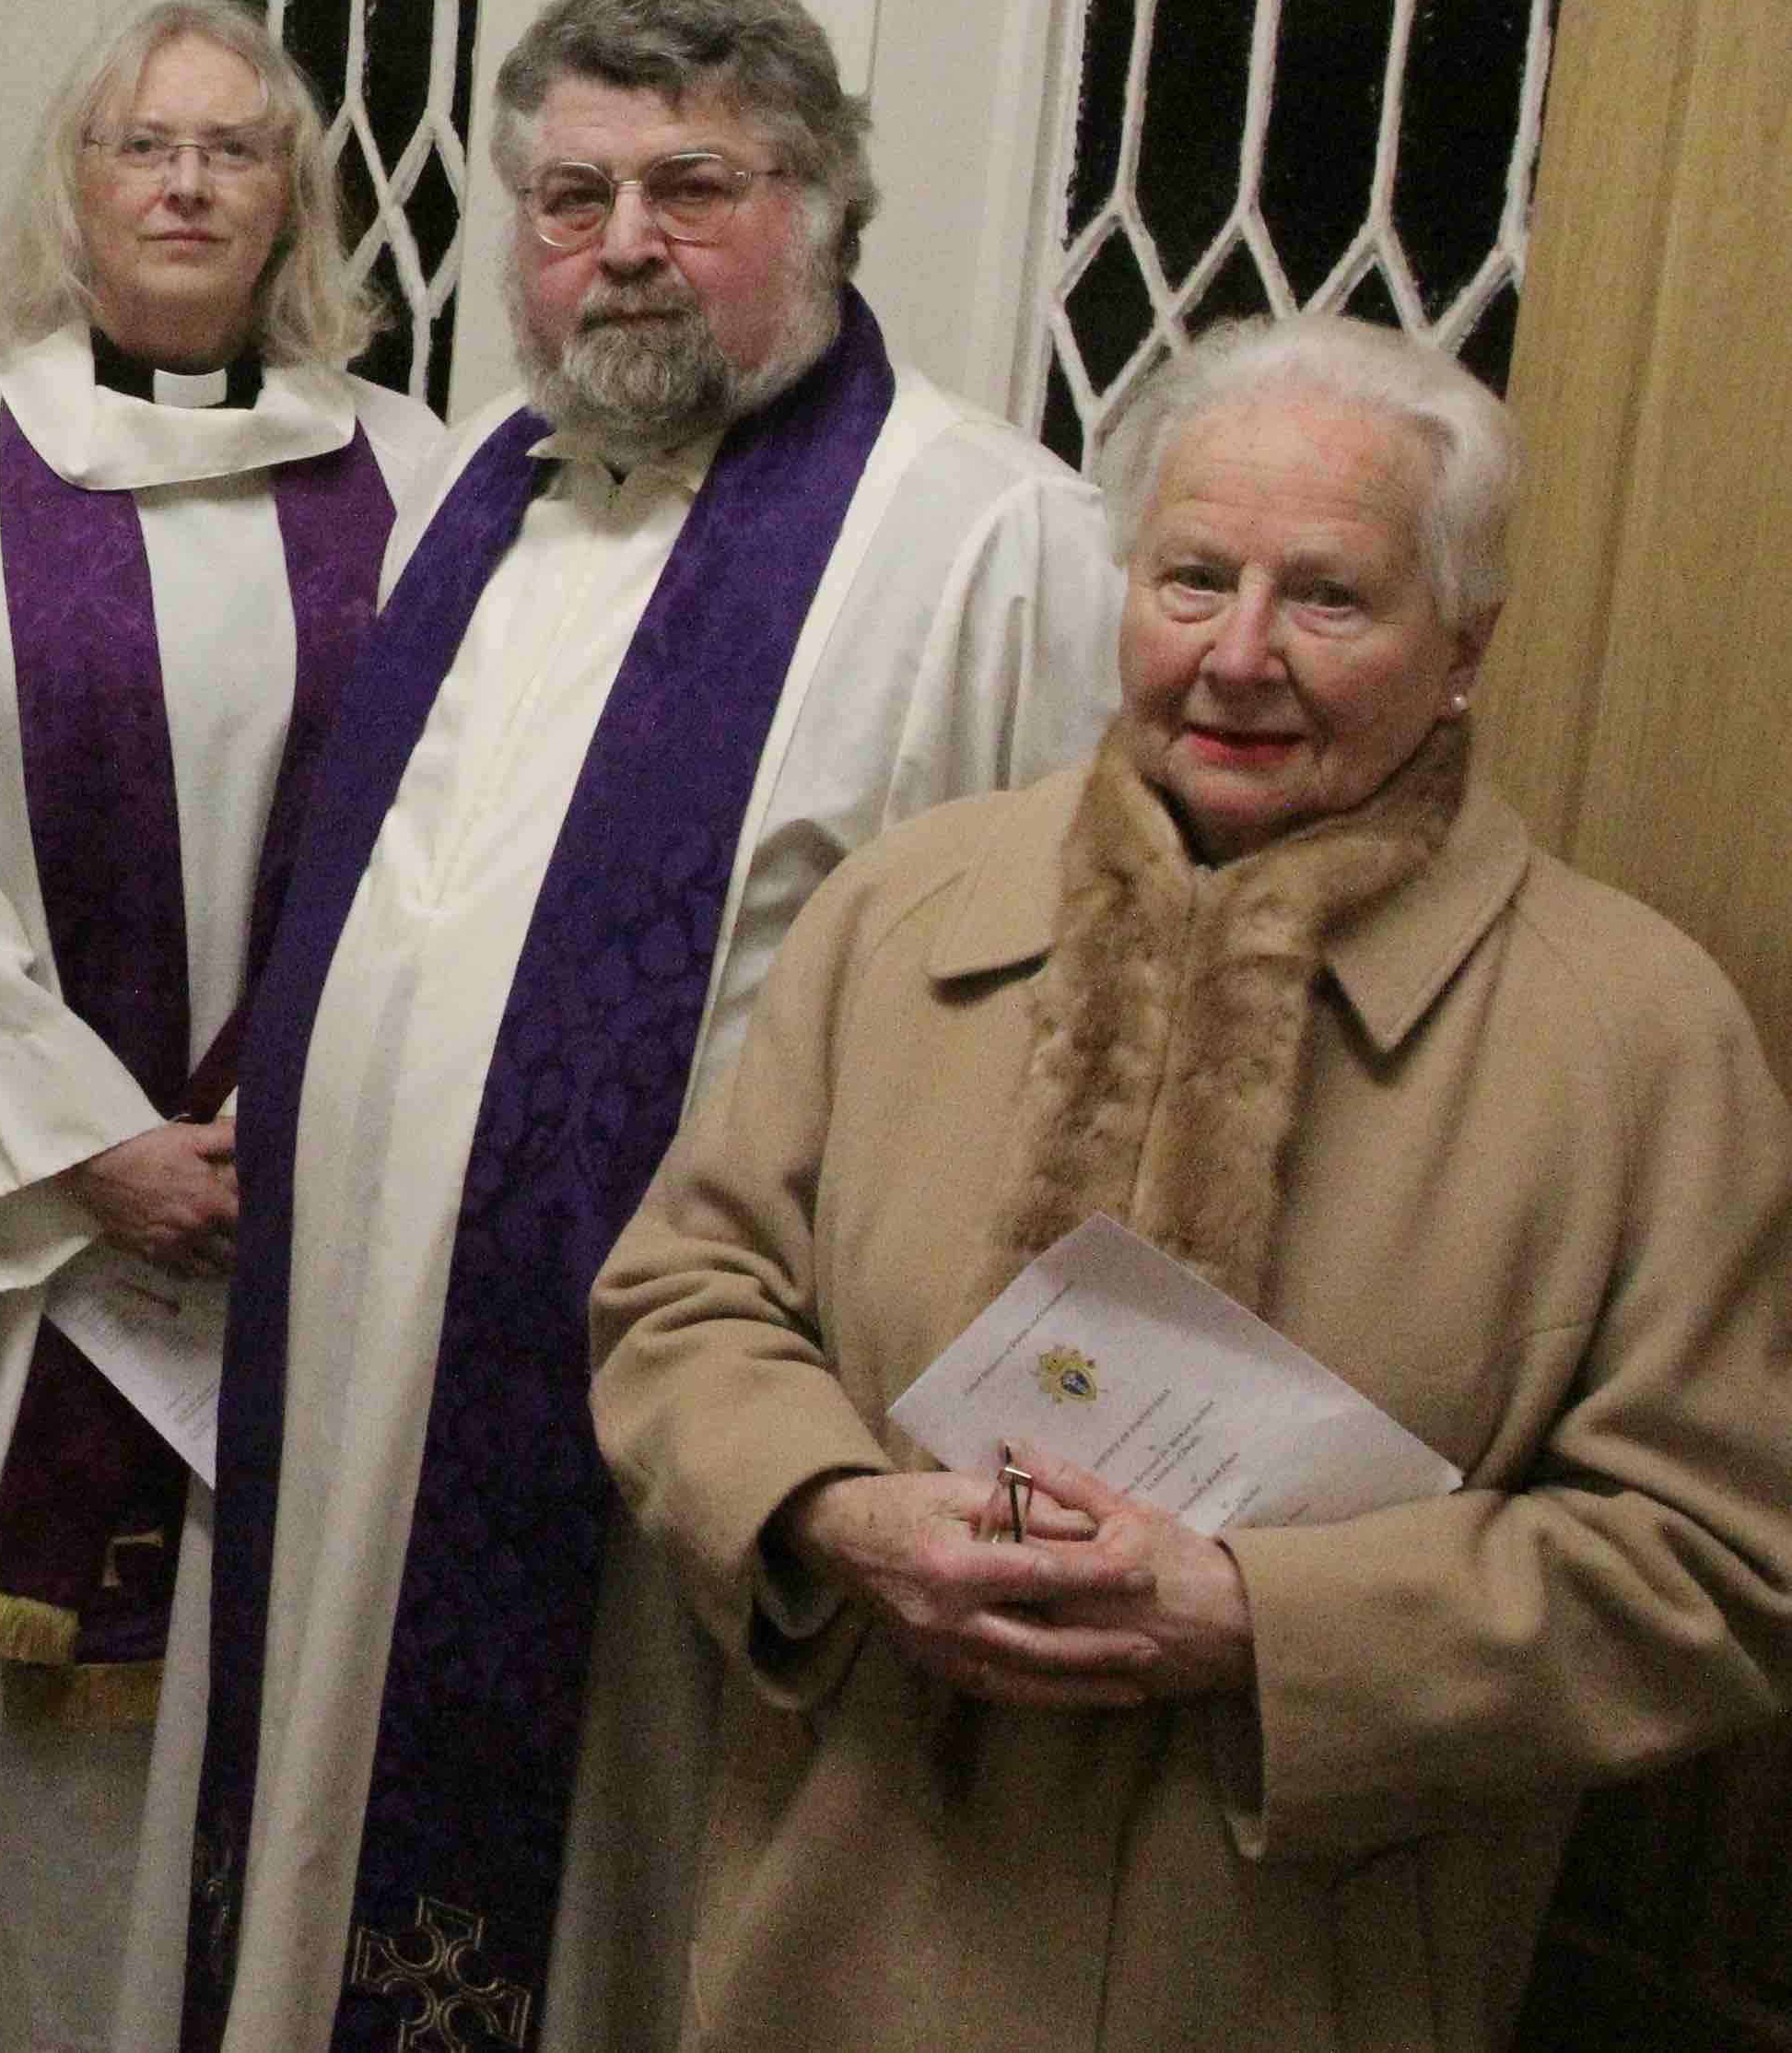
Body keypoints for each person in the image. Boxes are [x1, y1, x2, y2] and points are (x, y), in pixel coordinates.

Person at [589, 316, 1792, 2050]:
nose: (1237, 656)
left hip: (1294, 1970)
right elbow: (681, 1299)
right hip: (843, 1934)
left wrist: (1263, 1624)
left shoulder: (1636, 1037)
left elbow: (1719, 1563)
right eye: (1191, 578)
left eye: (1328, 599)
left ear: (1464, 648)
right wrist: (845, 1515)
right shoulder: (906, 909)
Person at [171, 0, 1124, 2052]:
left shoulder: (988, 543)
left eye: (691, 187)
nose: (620, 246)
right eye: (567, 192)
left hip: (685, 1429)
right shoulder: (475, 487)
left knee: (610, 1915)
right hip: (343, 1368)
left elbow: (1066, 1036)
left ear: (826, 203)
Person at [0, 0, 450, 2051]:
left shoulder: (415, 475)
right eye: (138, 143)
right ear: (72, 186)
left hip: (287, 1230)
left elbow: (454, 835)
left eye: (230, 149)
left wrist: (285, 1142)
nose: (179, 180)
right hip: (21, 1245)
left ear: (289, 202)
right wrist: (87, 1142)